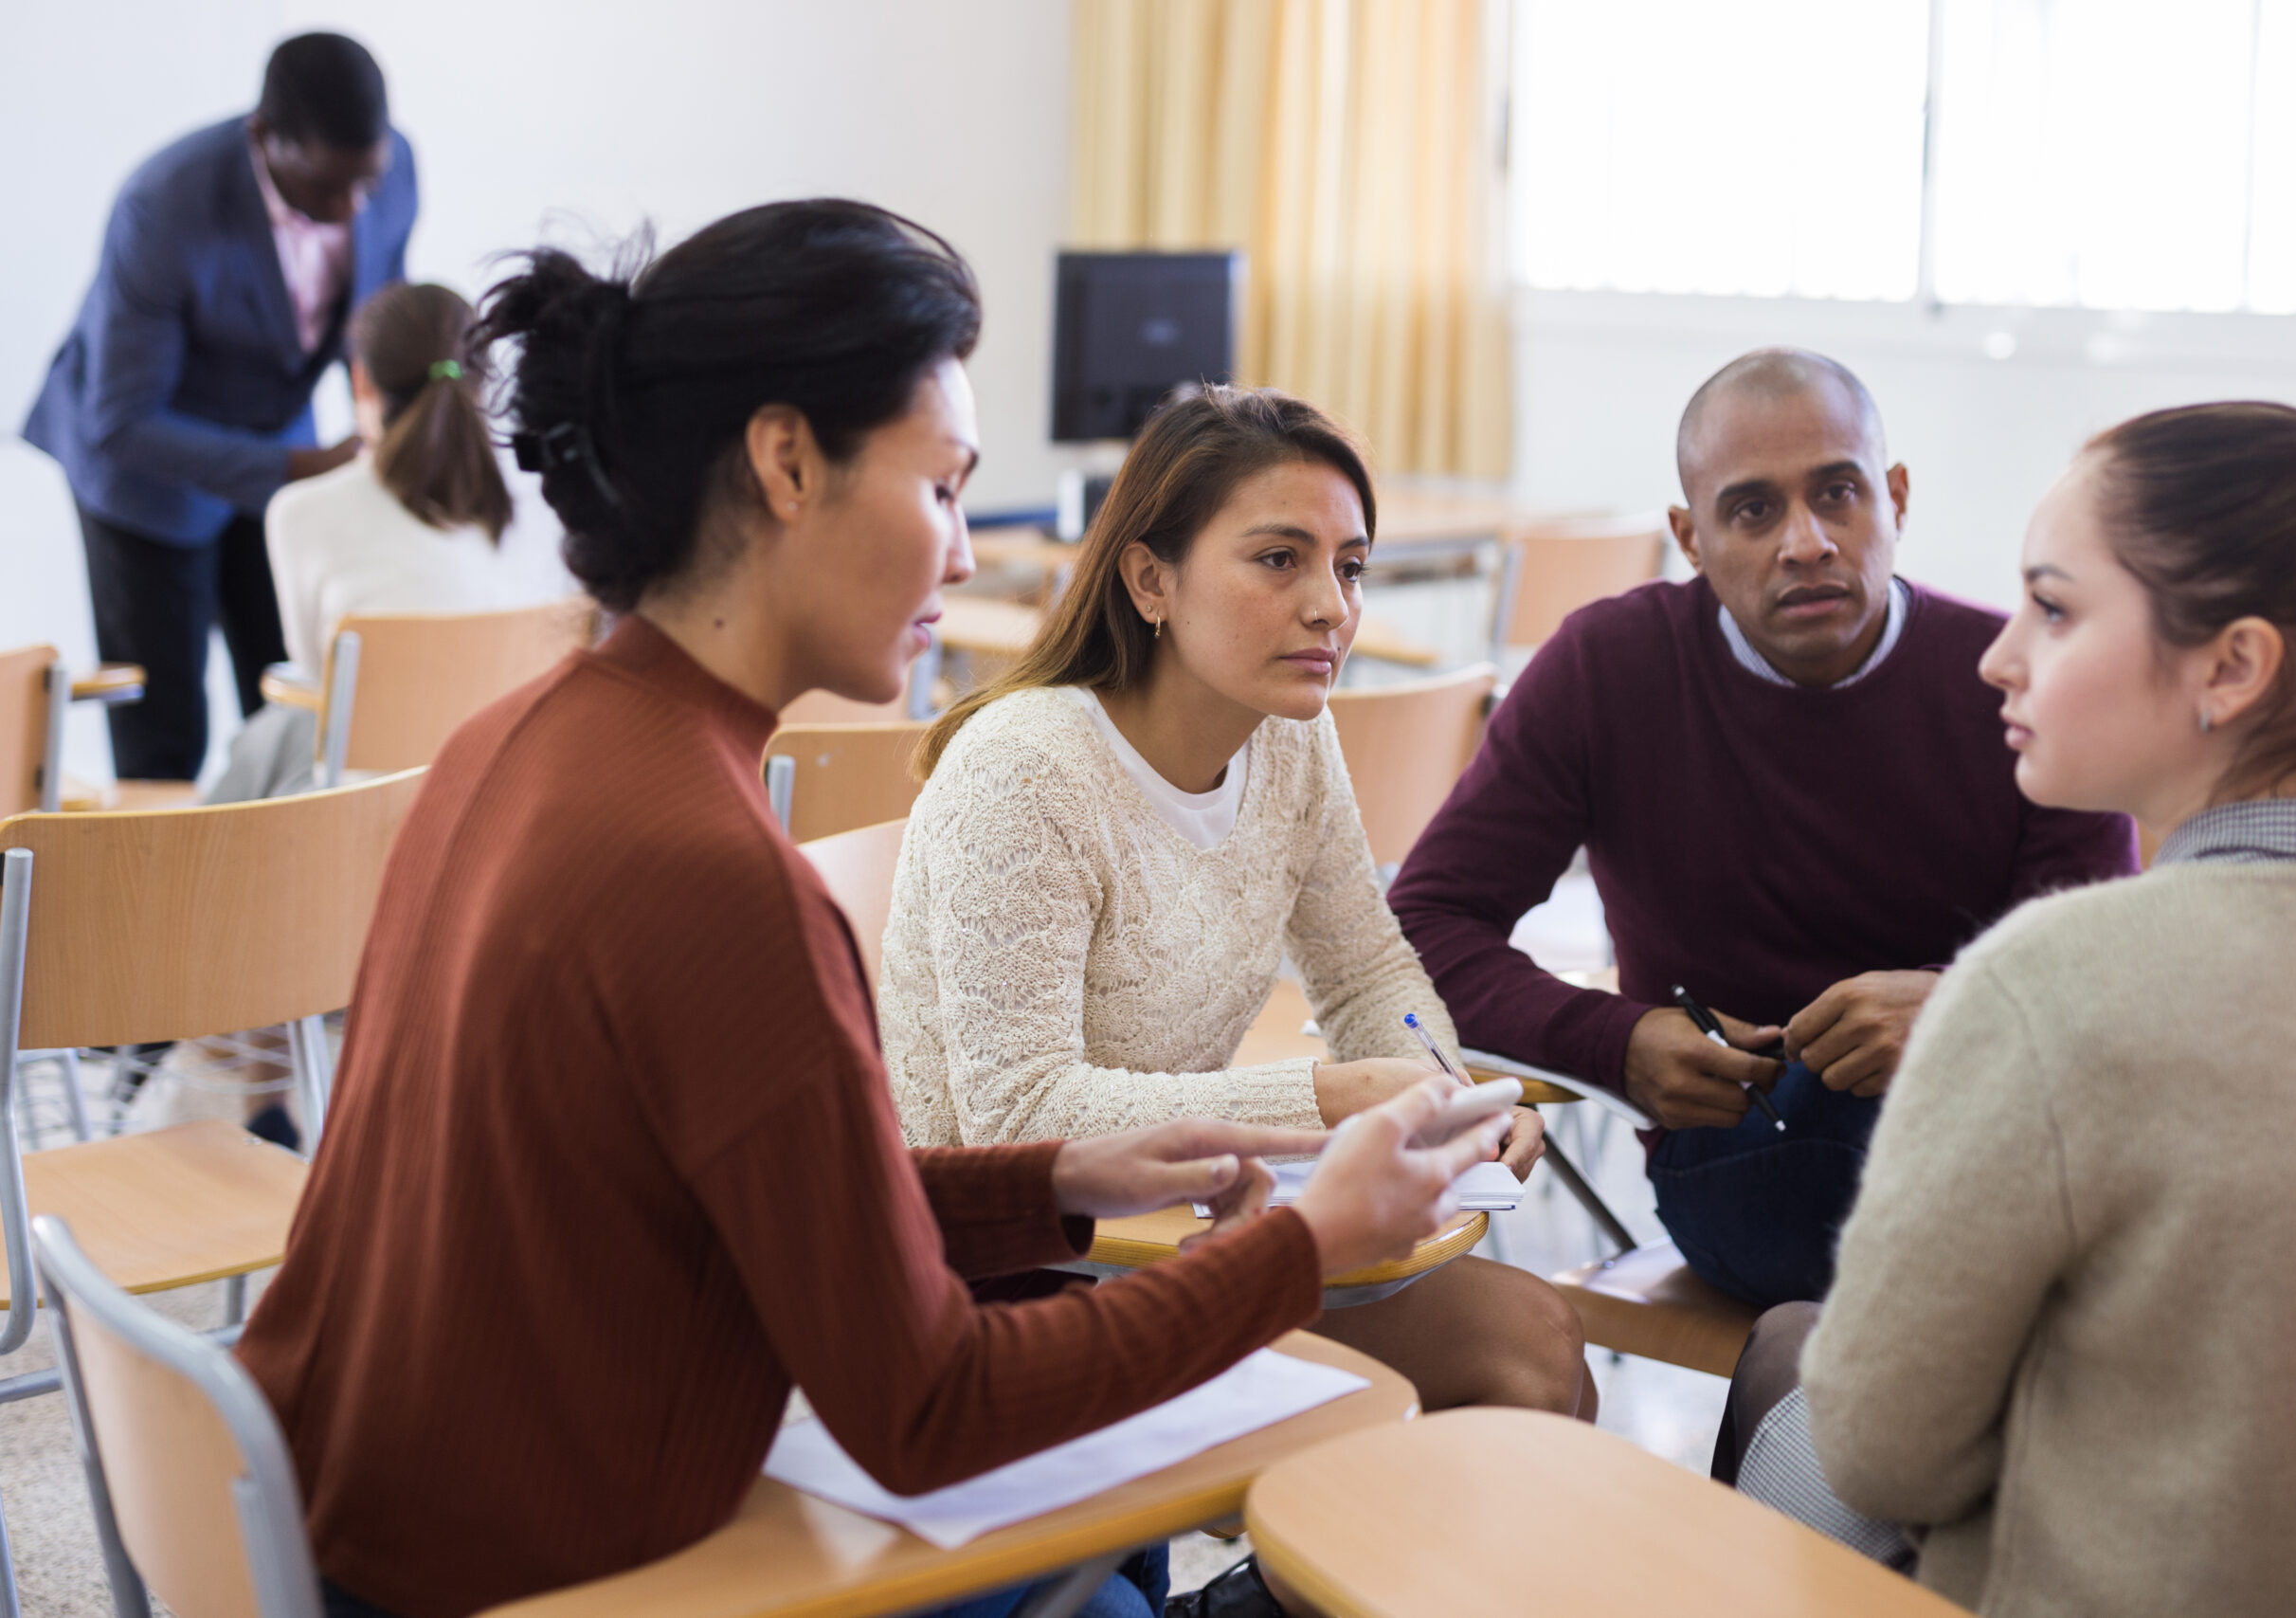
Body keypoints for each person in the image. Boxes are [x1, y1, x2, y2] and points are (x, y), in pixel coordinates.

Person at [233, 202, 1507, 1618]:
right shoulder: (715, 873)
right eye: (947, 486)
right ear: (787, 463)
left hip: (353, 1527)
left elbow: (726, 1193)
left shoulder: (518, 741)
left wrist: (1053, 1182)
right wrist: (1303, 1242)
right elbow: (926, 1404)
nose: (965, 554)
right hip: (544, 1570)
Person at [1713, 402, 2296, 1617]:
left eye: (2052, 608)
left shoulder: (2056, 980)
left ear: (2234, 667)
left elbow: (1885, 1453)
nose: (1999, 654)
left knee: (1799, 1416)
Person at [1388, 348, 2138, 1309]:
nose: (1806, 541)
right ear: (1689, 537)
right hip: (1743, 1163)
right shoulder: (1607, 669)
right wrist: (1614, 1042)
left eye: (1838, 494)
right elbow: (1424, 925)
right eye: (1751, 511)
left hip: (1994, 1125)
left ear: (1895, 499)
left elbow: (2106, 981)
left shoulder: (2012, 679)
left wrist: (1962, 1012)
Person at [879, 391, 1592, 1391]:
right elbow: (1016, 1119)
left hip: (1184, 1218)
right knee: (1511, 1363)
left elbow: (1365, 972)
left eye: (1349, 569)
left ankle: (1320, 1551)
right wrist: (1333, 1098)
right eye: (1278, 560)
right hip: (1009, 1276)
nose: (1330, 608)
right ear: (1149, 580)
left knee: (1536, 1341)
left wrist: (1441, 1095)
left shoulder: (1292, 734)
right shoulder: (1026, 768)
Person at [21, 32, 417, 783]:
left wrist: (393, 417)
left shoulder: (390, 170)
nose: (351, 208)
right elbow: (123, 418)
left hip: (277, 441)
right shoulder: (162, 207)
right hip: (144, 472)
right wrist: (301, 465)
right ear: (263, 139)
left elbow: (375, 317)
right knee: (167, 736)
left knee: (292, 706)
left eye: (365, 183)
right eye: (330, 188)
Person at [203, 281, 528, 809]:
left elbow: (314, 679)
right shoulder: (539, 512)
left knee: (270, 738)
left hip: (365, 820)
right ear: (483, 383)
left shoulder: (302, 512)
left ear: (361, 383)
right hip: (501, 812)